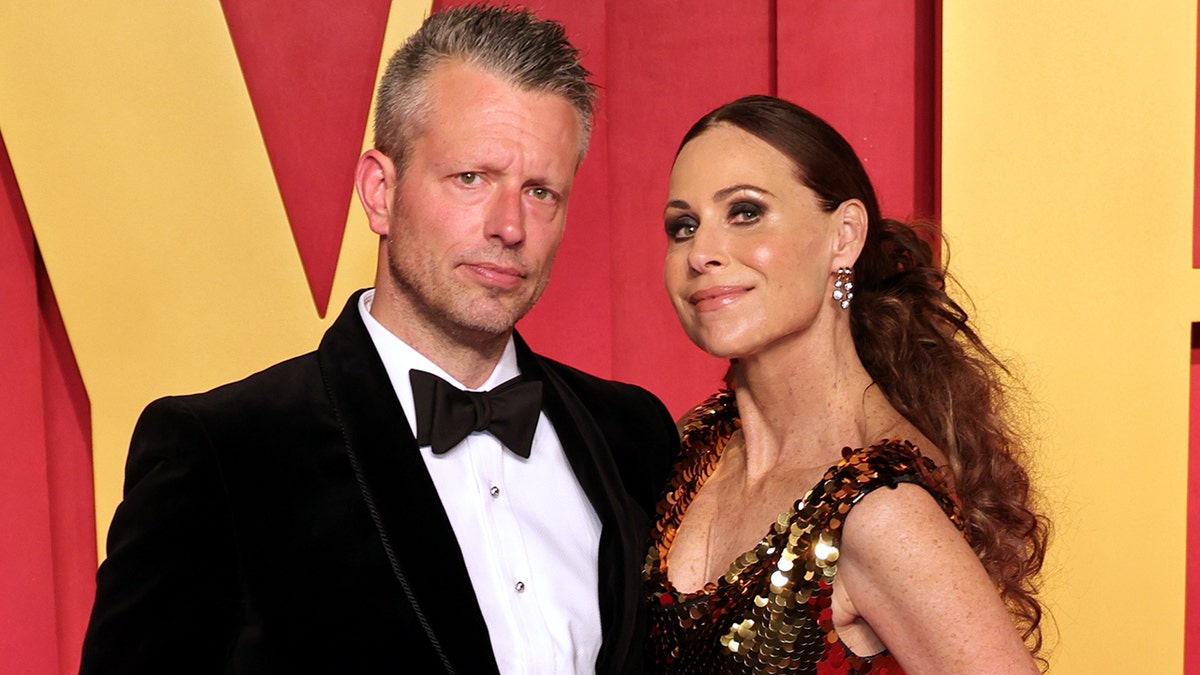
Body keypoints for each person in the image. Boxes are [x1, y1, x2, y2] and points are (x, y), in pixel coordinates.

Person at [79, 5, 679, 674]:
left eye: (540, 191)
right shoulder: (219, 453)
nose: (510, 225)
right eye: (471, 178)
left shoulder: (634, 435)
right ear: (379, 191)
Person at [643, 95, 1049, 673]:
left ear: (844, 236)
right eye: (683, 226)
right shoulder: (693, 444)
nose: (701, 253)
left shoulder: (881, 508)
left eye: (745, 212)